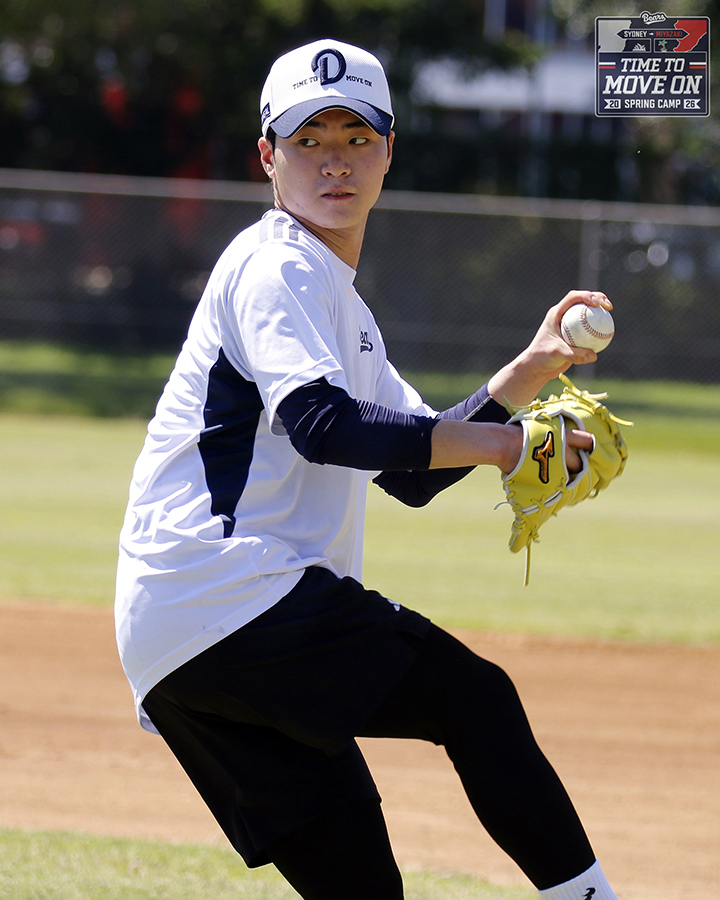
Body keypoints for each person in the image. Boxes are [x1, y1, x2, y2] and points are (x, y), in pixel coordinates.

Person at [115, 39, 620, 900]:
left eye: (355, 137)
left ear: (389, 151)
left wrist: (534, 369)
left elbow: (412, 464)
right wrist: (510, 447)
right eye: (308, 140)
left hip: (187, 630)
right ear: (268, 156)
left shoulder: (333, 300)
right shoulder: (275, 265)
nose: (334, 162)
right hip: (230, 594)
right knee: (477, 701)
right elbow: (324, 427)